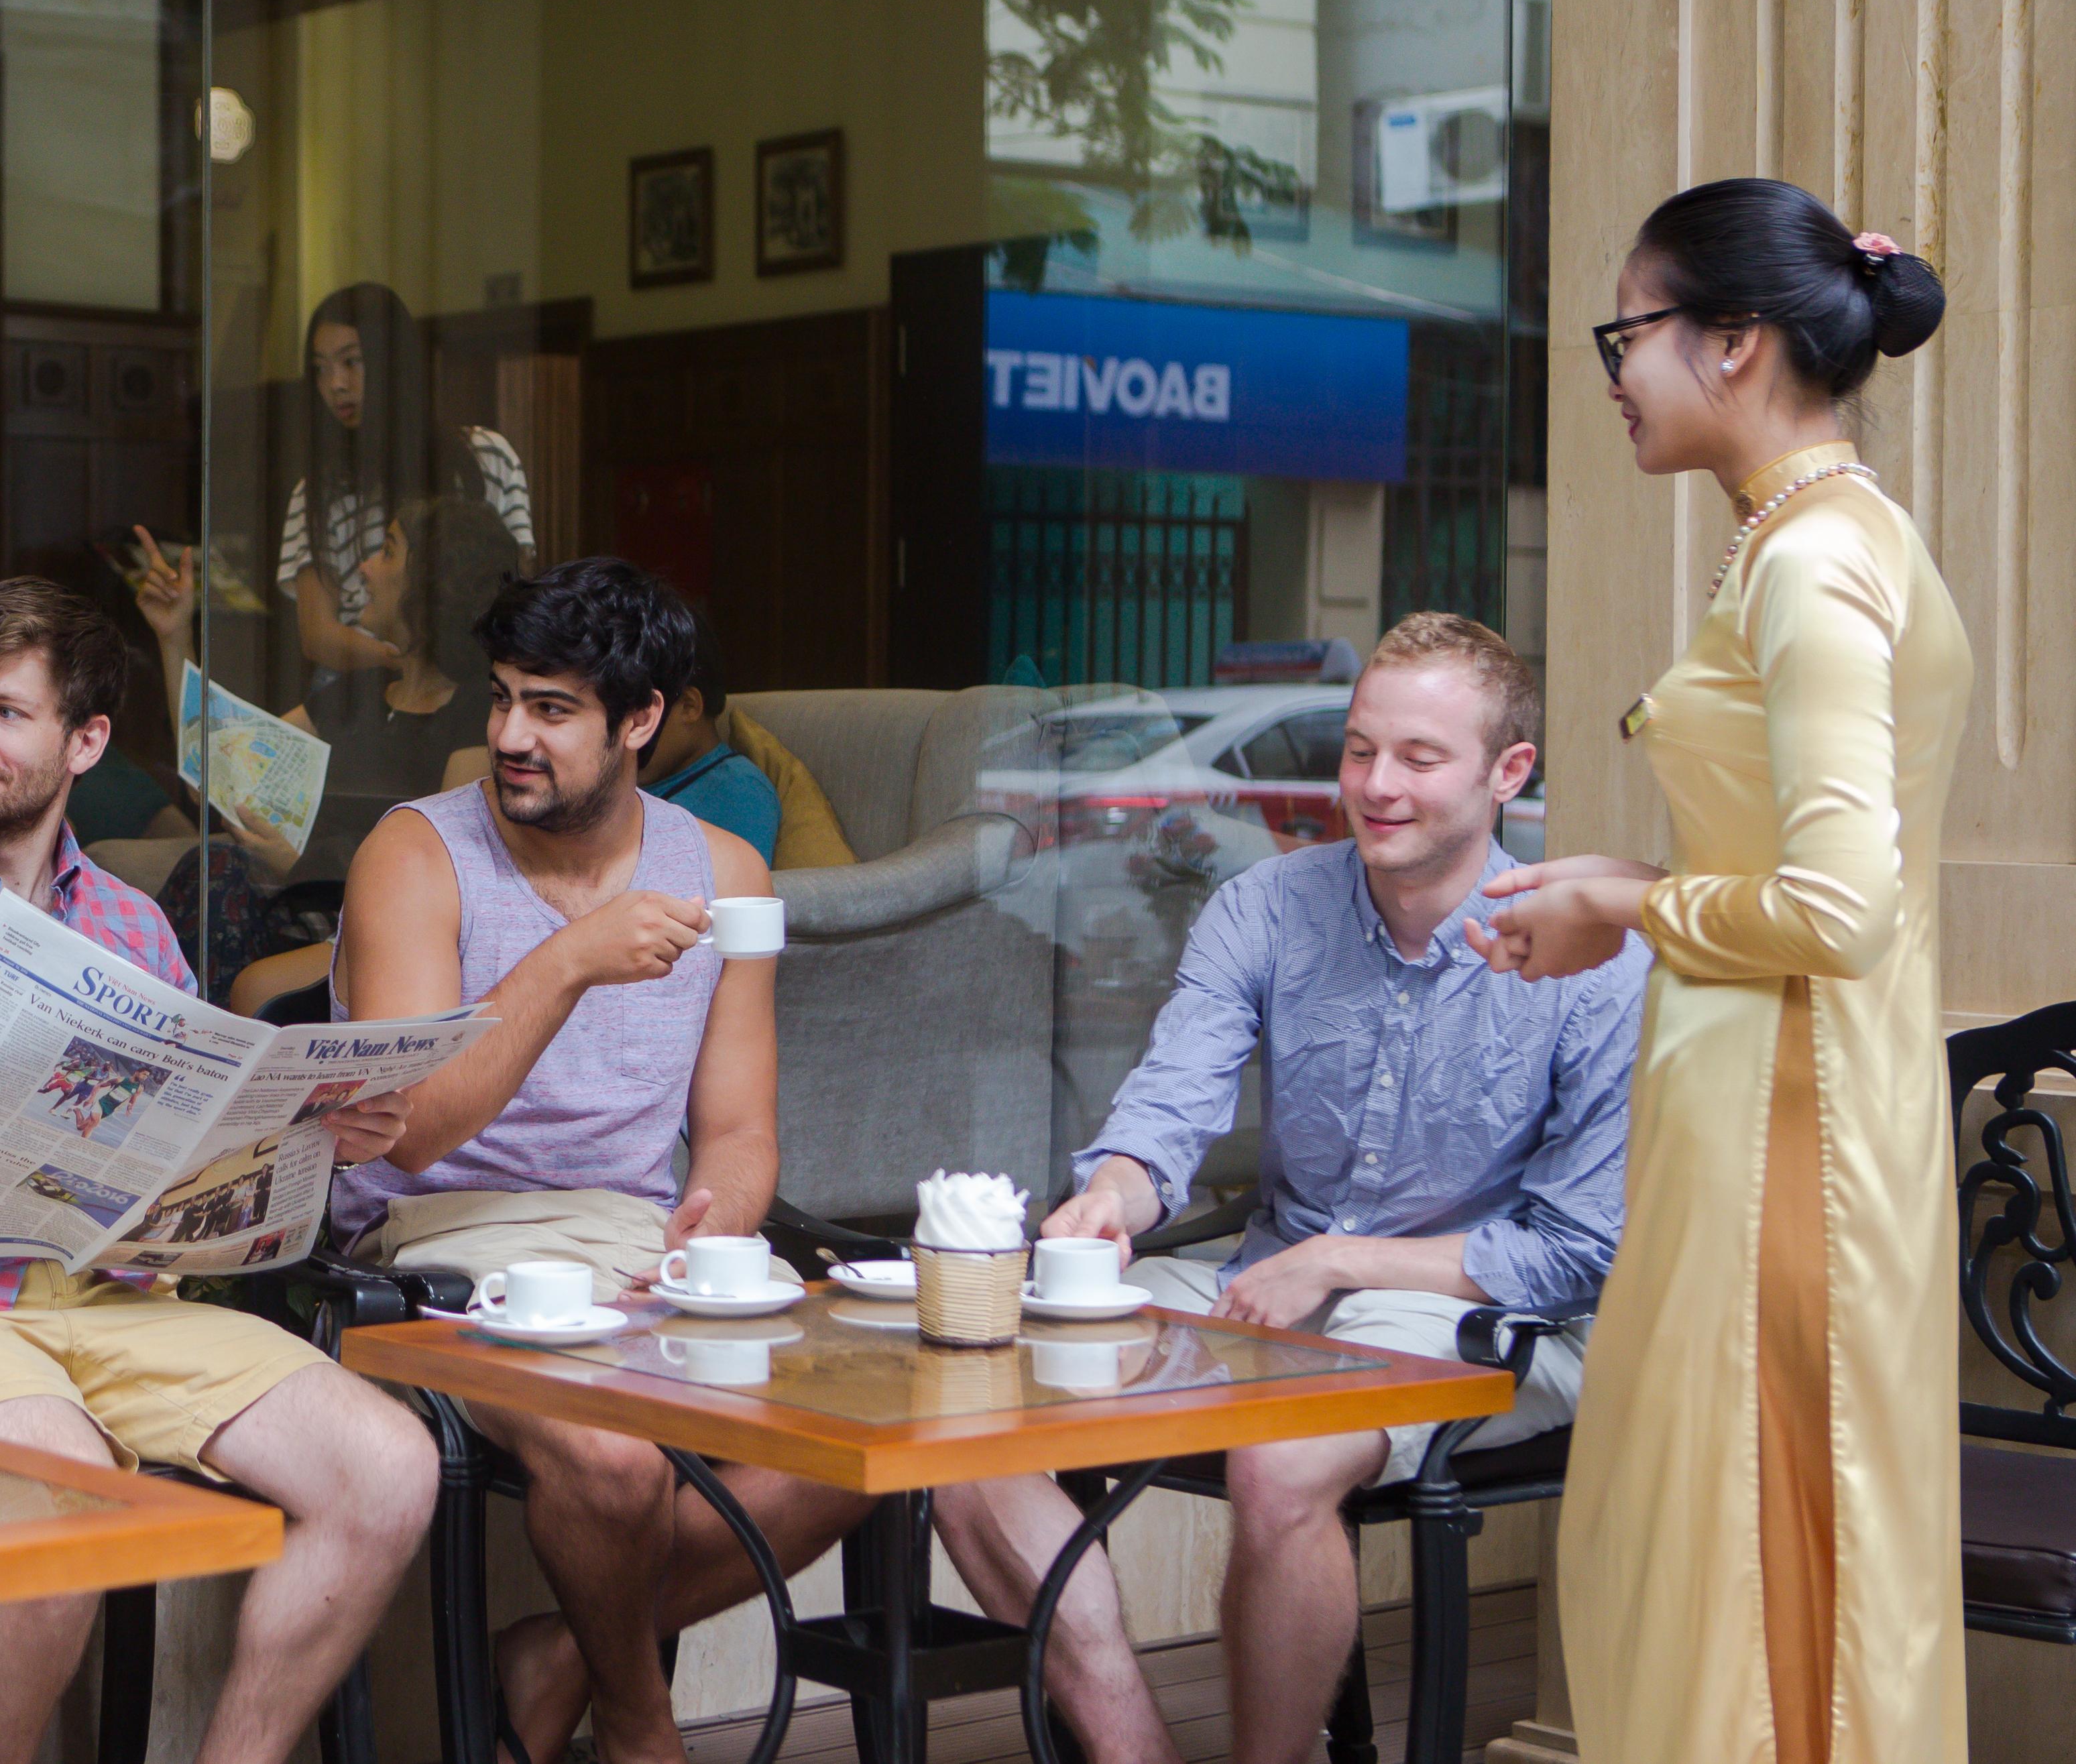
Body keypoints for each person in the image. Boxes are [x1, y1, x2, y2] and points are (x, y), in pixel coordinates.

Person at [0, 578, 434, 1764]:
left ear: (87, 741)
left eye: (7, 711)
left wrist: (310, 1138)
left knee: (389, 1466)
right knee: (54, 1482)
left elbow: (190, 1161)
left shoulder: (131, 929)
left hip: (113, 1297)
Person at [931, 612, 1641, 1764]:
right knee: (967, 1392)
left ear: (1511, 772)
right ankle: (1133, 1748)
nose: (1376, 785)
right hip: (1274, 1281)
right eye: (1361, 749)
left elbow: (1575, 1250)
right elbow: (1166, 1112)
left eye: (1420, 757)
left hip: (1493, 1309)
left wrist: (1341, 1260)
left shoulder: (1596, 955)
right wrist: (1113, 1195)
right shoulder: (1265, 906)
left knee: (1286, 1448)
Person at [1466, 180, 1966, 1764]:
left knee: (1745, 1555)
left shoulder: (1809, 563)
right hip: (1775, 1097)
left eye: (1628, 328)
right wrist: (1627, 900)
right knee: (1723, 1545)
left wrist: (1621, 899)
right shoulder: (1819, 537)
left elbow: (1836, 906)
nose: (1608, 367)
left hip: (1783, 1124)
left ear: (1733, 342)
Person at [330, 557, 867, 1764]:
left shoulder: (724, 871)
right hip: (435, 1247)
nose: (511, 735)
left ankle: (560, 1656)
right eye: (504, 696)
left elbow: (736, 1130)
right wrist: (568, 959)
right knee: (615, 1457)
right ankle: (636, 1715)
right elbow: (410, 1123)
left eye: (553, 708)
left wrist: (712, 1233)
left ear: (642, 720)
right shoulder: (415, 855)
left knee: (867, 1428)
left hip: (630, 1252)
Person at [137, 493, 518, 998]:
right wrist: (174, 634)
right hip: (287, 900)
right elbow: (217, 764)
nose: (363, 567)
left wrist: (301, 863)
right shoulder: (349, 694)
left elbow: (445, 870)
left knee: (220, 878)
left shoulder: (476, 713)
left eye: (385, 551)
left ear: (429, 581)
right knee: (211, 869)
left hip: (366, 921)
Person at [273, 282, 535, 677]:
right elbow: (318, 634)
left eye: (352, 362)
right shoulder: (318, 489)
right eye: (320, 369)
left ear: (393, 362)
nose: (336, 385)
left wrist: (450, 672)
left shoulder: (485, 456)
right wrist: (409, 664)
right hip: (359, 691)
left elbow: (519, 590)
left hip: (473, 681)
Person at [632, 609, 778, 860]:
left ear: (689, 706)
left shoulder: (739, 792)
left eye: (639, 715)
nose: (625, 733)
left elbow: (728, 893)